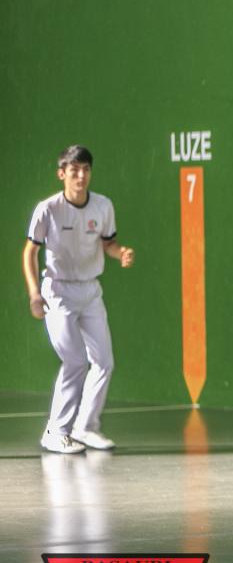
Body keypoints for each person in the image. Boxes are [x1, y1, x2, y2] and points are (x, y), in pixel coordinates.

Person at [22, 145, 134, 454]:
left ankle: (86, 427)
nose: (81, 176)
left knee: (104, 362)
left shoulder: (103, 206)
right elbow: (30, 252)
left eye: (85, 170)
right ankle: (55, 431)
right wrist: (34, 293)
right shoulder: (48, 209)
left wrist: (121, 253)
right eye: (74, 171)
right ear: (62, 174)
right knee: (74, 361)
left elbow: (109, 243)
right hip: (57, 292)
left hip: (90, 291)